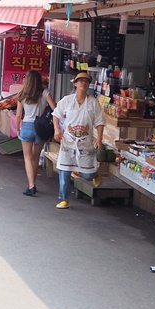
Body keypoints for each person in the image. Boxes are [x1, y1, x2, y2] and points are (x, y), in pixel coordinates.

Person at [52, 72, 105, 209]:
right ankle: (64, 199)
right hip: (68, 140)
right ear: (75, 83)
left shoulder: (93, 103)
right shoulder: (67, 100)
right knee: (64, 170)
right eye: (80, 81)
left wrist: (99, 138)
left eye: (86, 81)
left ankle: (94, 174)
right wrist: (57, 130)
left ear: (88, 85)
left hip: (86, 142)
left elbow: (99, 122)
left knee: (87, 175)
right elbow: (56, 115)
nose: (83, 83)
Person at [15, 70, 56, 197]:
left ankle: (31, 185)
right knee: (35, 157)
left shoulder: (22, 95)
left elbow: (18, 116)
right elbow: (55, 109)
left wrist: (17, 129)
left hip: (26, 126)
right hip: (40, 127)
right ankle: (34, 184)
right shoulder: (44, 93)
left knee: (27, 157)